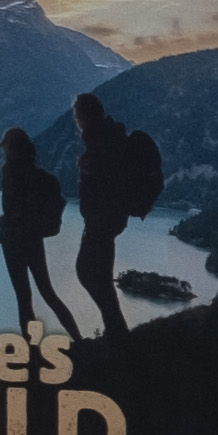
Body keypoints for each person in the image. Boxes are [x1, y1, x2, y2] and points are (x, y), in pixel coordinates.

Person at [67, 86, 164, 346]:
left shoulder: (99, 139)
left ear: (83, 116)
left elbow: (105, 179)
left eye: (77, 116)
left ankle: (118, 333)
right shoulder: (109, 135)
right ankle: (116, 331)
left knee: (87, 272)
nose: (76, 122)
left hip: (102, 218)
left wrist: (89, 171)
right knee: (99, 274)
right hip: (110, 218)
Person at [0, 125, 76, 336]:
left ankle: (30, 351)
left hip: (13, 240)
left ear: (10, 148)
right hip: (33, 239)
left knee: (23, 297)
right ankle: (78, 338)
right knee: (48, 292)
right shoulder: (38, 175)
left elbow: (11, 209)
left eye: (5, 147)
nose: (3, 151)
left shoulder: (9, 171)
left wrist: (4, 220)